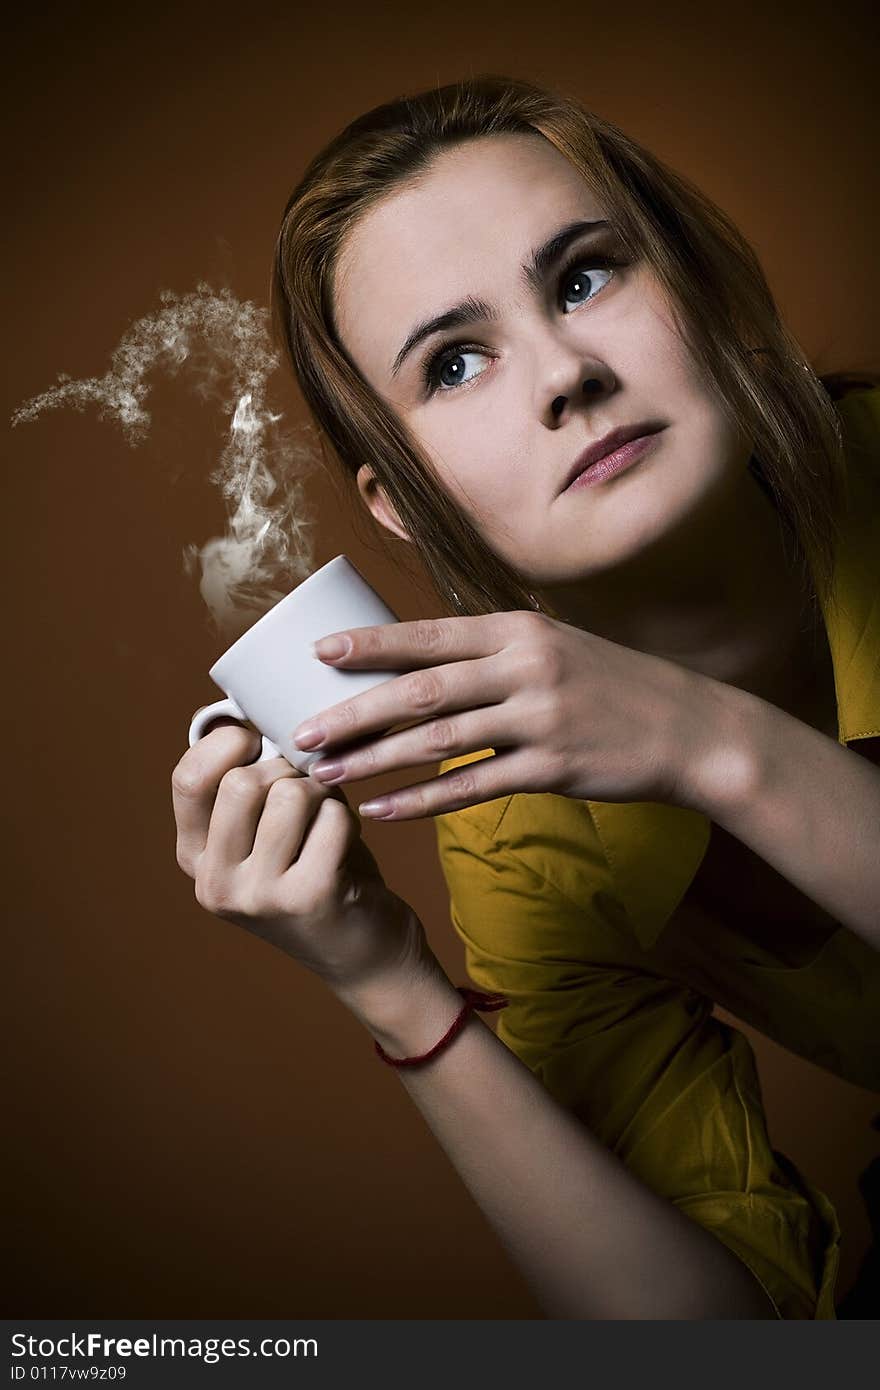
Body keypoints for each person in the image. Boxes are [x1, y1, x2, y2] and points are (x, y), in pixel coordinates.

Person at [171, 75, 880, 1318]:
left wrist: (709, 743)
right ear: (399, 497)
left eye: (584, 278)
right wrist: (390, 987)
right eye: (454, 363)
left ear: (702, 283)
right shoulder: (518, 827)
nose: (561, 373)